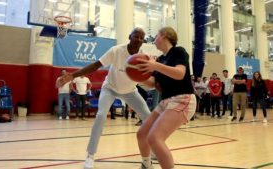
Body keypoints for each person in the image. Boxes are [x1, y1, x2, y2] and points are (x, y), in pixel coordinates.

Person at [59, 27, 151, 169]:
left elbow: (149, 77)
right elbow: (96, 66)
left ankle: (153, 151)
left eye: (141, 37)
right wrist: (73, 75)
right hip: (110, 88)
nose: (138, 39)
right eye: (135, 36)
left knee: (149, 118)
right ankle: (90, 155)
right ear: (129, 36)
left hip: (130, 91)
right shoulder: (116, 51)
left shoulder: (144, 57)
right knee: (101, 115)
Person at [136, 26, 196, 169]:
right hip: (166, 101)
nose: (154, 39)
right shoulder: (161, 59)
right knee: (142, 134)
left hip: (183, 99)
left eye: (156, 35)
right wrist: (134, 77)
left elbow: (179, 73)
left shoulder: (178, 51)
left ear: (164, 35)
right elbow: (153, 84)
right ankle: (146, 165)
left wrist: (155, 65)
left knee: (154, 138)